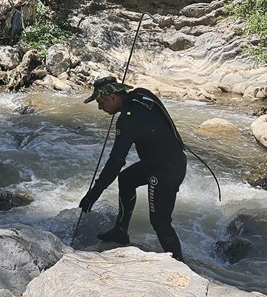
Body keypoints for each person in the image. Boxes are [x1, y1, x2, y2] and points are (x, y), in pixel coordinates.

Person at [78, 76, 187, 260]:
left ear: (113, 97)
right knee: (126, 179)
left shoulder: (128, 120)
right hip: (171, 157)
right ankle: (120, 232)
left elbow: (116, 161)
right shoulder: (142, 95)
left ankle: (179, 263)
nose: (100, 107)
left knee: (160, 221)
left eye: (101, 101)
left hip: (166, 169)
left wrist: (94, 193)